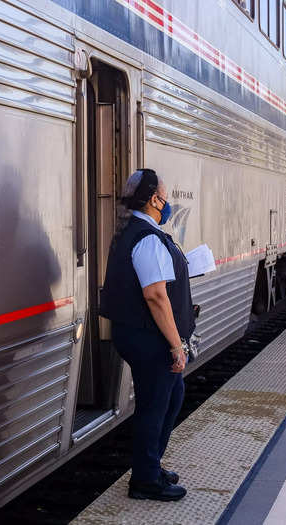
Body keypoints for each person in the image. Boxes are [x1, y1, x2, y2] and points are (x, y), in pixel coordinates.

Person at [100, 169, 195, 502]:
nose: (167, 201)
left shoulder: (131, 232)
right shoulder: (147, 238)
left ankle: (151, 467)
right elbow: (156, 296)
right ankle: (145, 481)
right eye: (165, 195)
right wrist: (176, 345)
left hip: (136, 334)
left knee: (170, 397)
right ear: (154, 199)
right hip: (149, 338)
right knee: (155, 407)